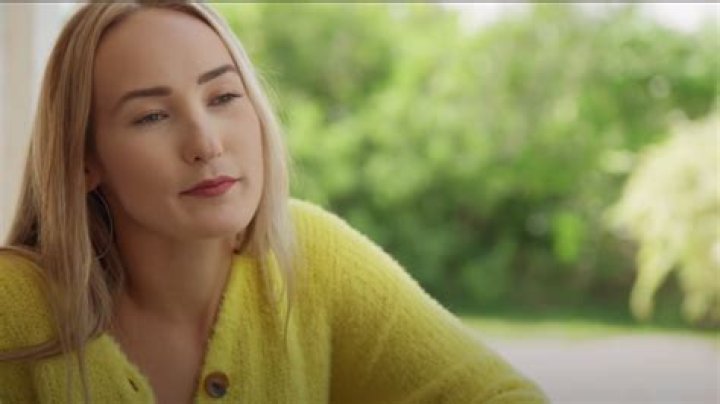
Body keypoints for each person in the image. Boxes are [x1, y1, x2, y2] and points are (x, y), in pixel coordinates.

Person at [0, 2, 547, 403]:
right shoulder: (14, 306)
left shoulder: (311, 256)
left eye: (223, 97)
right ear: (84, 160)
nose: (207, 143)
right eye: (152, 116)